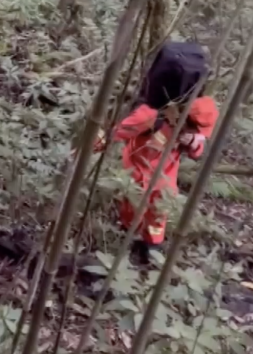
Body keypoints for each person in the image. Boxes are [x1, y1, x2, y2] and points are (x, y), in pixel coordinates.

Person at [94, 96, 219, 262]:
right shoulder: (149, 116)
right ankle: (125, 245)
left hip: (164, 182)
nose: (195, 134)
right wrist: (89, 146)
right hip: (135, 178)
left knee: (157, 219)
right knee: (131, 214)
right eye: (194, 130)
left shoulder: (189, 131)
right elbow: (116, 133)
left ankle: (150, 252)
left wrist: (192, 143)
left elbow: (197, 151)